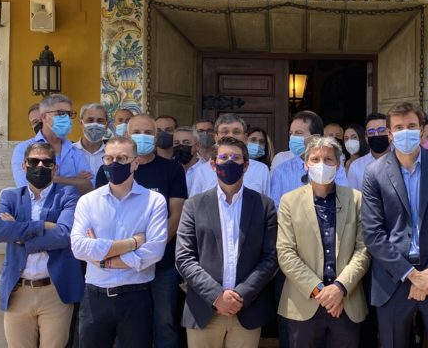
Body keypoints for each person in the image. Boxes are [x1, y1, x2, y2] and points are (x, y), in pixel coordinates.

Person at [360, 102, 428, 348]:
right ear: (390, 133)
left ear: (421, 129)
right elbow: (373, 234)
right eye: (399, 127)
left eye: (412, 126)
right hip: (393, 280)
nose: (405, 132)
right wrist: (412, 275)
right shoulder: (374, 173)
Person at [95, 114, 189, 348]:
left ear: (156, 136)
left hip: (163, 264)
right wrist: (129, 256)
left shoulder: (172, 169)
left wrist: (148, 252)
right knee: (127, 326)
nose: (142, 137)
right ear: (127, 135)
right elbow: (103, 216)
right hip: (121, 266)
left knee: (164, 323)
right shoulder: (108, 170)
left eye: (148, 132)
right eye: (137, 132)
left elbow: (175, 216)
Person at [175, 137, 279, 348]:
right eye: (223, 157)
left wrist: (241, 294)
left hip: (246, 309)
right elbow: (184, 258)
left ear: (246, 166)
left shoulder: (264, 205)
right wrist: (216, 296)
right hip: (204, 309)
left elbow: (270, 258)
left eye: (236, 158)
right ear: (213, 165)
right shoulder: (194, 205)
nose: (229, 162)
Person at [70, 136, 170, 347]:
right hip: (95, 297)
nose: (114, 163)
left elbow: (154, 251)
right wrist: (133, 243)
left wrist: (102, 258)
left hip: (135, 296)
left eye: (122, 158)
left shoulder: (154, 201)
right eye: (109, 158)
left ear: (135, 163)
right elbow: (79, 247)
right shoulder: (88, 201)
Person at [277, 136, 370, 348]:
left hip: (346, 302)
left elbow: (363, 250)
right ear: (306, 164)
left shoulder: (356, 199)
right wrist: (321, 292)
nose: (321, 164)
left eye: (328, 159)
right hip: (304, 303)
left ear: (338, 164)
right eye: (315, 159)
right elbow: (285, 252)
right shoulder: (289, 201)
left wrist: (339, 288)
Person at [0, 142, 84, 348]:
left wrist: (19, 235)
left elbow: (64, 234)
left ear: (55, 168)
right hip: (18, 291)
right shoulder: (11, 196)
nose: (40, 166)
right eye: (34, 161)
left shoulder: (68, 194)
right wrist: (42, 225)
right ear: (24, 165)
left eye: (46, 162)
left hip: (55, 291)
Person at [12, 94, 93, 195]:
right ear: (44, 117)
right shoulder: (23, 149)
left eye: (69, 114)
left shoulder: (75, 152)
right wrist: (75, 180)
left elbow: (89, 187)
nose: (66, 118)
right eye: (61, 113)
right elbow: (27, 188)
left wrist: (51, 179)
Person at [271, 111, 349, 204]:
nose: (292, 137)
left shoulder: (335, 169)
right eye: (291, 133)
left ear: (316, 138)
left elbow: (343, 202)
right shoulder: (281, 171)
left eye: (298, 133)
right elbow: (275, 207)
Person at [187, 114, 271, 196]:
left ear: (245, 138)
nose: (231, 136)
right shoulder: (201, 171)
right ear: (216, 137)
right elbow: (195, 204)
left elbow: (267, 203)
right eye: (225, 132)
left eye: (236, 132)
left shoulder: (261, 170)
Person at [346, 113, 389, 191]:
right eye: (371, 132)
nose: (376, 134)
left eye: (381, 130)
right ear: (366, 137)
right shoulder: (356, 167)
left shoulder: (401, 160)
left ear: (390, 133)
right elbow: (352, 197)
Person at [74, 103, 109, 185]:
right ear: (81, 123)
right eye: (90, 120)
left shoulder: (113, 155)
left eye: (100, 121)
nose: (95, 124)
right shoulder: (69, 153)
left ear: (106, 125)